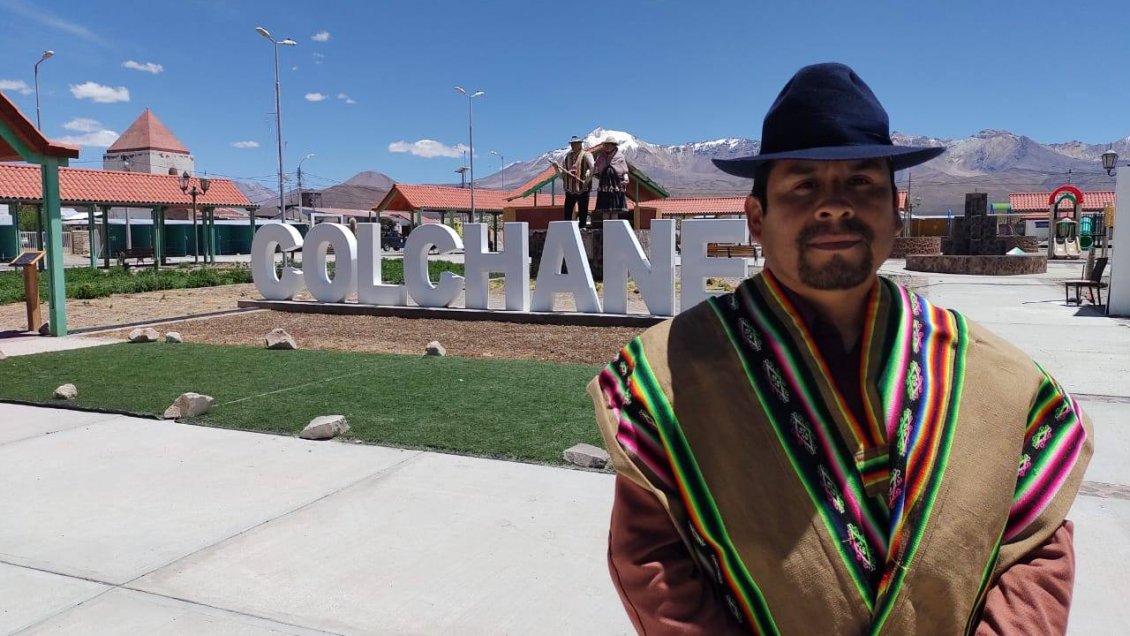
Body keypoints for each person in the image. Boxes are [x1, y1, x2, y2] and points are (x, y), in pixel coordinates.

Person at [588, 63, 1093, 635]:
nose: (834, 205)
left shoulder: (997, 378)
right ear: (757, 218)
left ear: (894, 208)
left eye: (860, 182)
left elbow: (1036, 544)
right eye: (803, 184)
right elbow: (651, 561)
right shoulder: (670, 377)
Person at [556, 135, 596, 228]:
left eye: (575, 144)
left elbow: (592, 167)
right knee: (568, 211)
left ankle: (582, 226)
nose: (573, 146)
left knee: (583, 210)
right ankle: (567, 228)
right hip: (570, 189)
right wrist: (557, 168)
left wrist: (588, 175)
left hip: (583, 188)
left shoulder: (587, 155)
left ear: (580, 144)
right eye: (572, 144)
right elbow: (562, 174)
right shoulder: (567, 157)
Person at [593, 136, 630, 222]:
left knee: (615, 208)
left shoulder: (620, 156)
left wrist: (626, 178)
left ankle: (614, 227)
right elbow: (596, 167)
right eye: (606, 145)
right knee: (605, 208)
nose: (608, 147)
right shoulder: (601, 156)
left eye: (610, 145)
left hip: (616, 184)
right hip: (604, 184)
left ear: (614, 146)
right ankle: (606, 228)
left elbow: (624, 170)